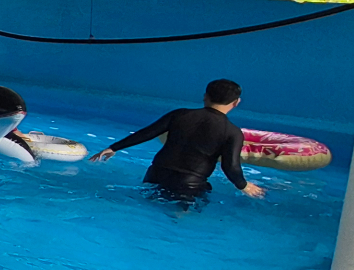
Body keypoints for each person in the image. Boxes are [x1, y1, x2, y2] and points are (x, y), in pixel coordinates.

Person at [90, 79, 266, 201]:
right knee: (179, 217)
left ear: (205, 96)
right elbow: (230, 166)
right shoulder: (232, 132)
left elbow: (147, 133)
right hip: (189, 185)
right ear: (236, 102)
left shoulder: (180, 114)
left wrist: (114, 147)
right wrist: (243, 186)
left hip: (155, 175)